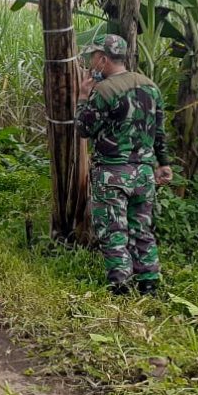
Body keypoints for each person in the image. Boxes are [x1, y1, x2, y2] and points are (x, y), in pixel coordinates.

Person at [76, 34, 173, 296]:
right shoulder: (151, 87)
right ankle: (149, 283)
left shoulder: (105, 91)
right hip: (143, 172)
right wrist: (163, 164)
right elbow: (159, 131)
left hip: (113, 173)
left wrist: (84, 97)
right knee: (142, 228)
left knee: (113, 230)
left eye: (93, 57)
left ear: (103, 59)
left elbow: (84, 129)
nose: (91, 62)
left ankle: (120, 285)